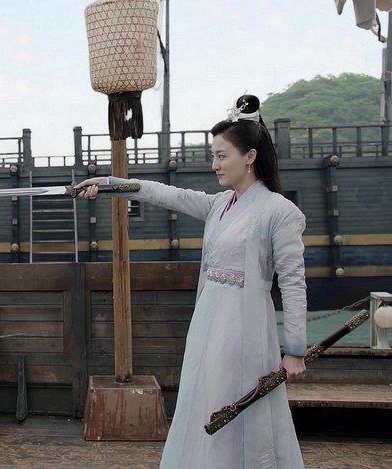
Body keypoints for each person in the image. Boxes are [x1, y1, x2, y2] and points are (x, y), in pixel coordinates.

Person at [75, 95, 307, 468]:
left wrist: (294, 348)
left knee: (239, 404)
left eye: (222, 156)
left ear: (249, 156)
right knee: (205, 399)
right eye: (214, 156)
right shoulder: (220, 205)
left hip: (244, 327)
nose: (215, 164)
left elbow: (293, 282)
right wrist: (110, 184)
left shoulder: (280, 212)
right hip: (207, 323)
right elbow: (170, 195)